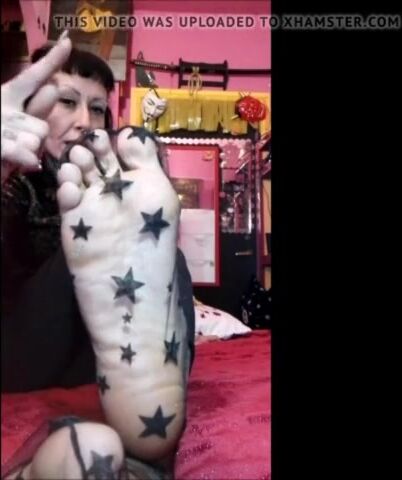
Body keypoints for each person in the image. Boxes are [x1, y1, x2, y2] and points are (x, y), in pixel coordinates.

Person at [1, 31, 195, 480]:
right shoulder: (15, 184)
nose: (85, 121)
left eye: (97, 108)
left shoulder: (117, 193)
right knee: (109, 254)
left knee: (161, 259)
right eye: (67, 102)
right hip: (17, 348)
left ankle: (140, 403)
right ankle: (147, 437)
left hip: (95, 359)